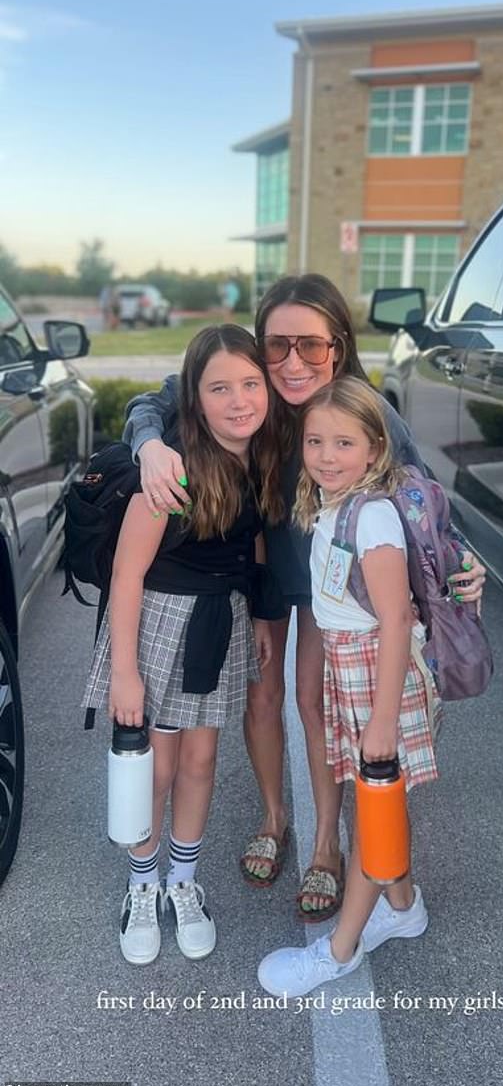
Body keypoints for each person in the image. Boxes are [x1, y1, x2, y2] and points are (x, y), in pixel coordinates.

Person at [122, 274, 486, 922]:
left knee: (312, 698)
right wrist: (148, 445)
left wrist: (459, 562)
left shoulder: (362, 408)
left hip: (328, 581)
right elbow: (156, 401)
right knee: (261, 694)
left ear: (338, 348)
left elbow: (422, 495)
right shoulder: (245, 391)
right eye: (277, 345)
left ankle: (326, 843)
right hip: (255, 567)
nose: (292, 363)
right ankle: (272, 814)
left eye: (310, 347)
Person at [82, 324, 284, 966]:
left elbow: (250, 544)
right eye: (220, 387)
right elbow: (127, 573)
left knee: (200, 764)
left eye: (251, 384)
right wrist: (124, 672)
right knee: (157, 769)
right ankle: (142, 887)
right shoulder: (170, 468)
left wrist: (254, 613)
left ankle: (182, 882)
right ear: (193, 397)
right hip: (160, 628)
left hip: (218, 626)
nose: (239, 400)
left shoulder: (261, 458)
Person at [257, 376, 444, 997]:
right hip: (350, 666)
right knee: (381, 806)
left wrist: (383, 720)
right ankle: (404, 906)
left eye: (344, 442)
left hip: (378, 674)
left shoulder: (373, 516)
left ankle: (338, 951)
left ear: (375, 451)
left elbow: (394, 618)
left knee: (373, 813)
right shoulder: (332, 503)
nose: (327, 456)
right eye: (315, 441)